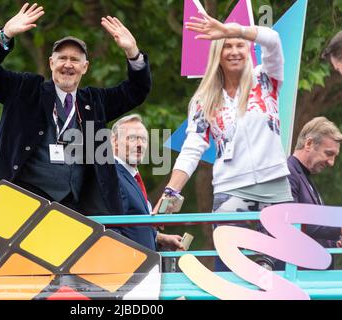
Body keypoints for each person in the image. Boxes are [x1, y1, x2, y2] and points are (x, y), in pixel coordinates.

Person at [0, 3, 151, 216]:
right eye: (62, 58)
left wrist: (133, 53)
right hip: (21, 204)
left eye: (75, 60)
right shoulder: (25, 90)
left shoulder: (94, 102)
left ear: (85, 68)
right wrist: (5, 35)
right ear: (51, 63)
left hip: (72, 210)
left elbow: (137, 90)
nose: (68, 64)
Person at [155, 12, 291, 271]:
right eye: (227, 45)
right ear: (217, 53)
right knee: (231, 269)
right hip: (231, 190)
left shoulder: (266, 78)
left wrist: (235, 29)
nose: (234, 51)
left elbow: (273, 40)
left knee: (282, 269)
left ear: (249, 49)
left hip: (275, 185)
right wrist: (170, 193)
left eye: (239, 44)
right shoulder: (203, 99)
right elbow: (192, 149)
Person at [111, 114, 184, 251]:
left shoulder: (132, 177)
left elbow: (131, 226)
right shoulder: (111, 175)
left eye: (143, 139)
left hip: (145, 264)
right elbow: (111, 228)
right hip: (130, 266)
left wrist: (159, 237)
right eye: (132, 138)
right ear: (114, 141)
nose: (139, 145)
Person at [288, 117, 342, 268]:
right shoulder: (288, 172)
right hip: (298, 275)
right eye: (328, 153)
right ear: (309, 144)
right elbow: (291, 220)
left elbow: (314, 229)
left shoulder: (304, 176)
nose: (331, 162)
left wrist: (335, 240)